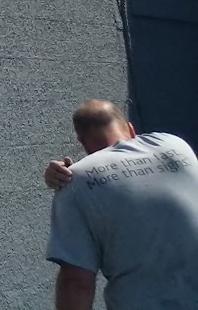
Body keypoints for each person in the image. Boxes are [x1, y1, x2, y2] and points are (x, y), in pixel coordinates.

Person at [42, 99, 198, 308]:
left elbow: (77, 283)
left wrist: (67, 176)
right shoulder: (176, 146)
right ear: (131, 129)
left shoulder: (75, 183)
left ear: (82, 142)